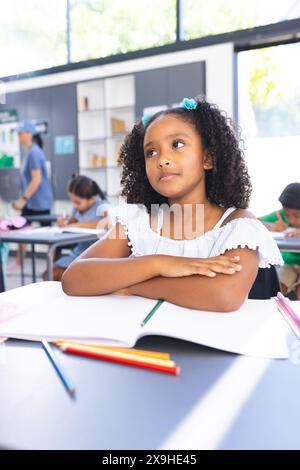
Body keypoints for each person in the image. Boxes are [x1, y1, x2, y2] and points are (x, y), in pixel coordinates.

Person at [61, 97, 283, 312]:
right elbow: (74, 279)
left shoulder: (238, 224)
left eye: (177, 144)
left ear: (208, 158)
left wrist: (133, 286)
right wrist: (160, 264)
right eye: (151, 152)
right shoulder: (139, 222)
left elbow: (224, 295)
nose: (162, 159)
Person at [42, 174, 110, 281]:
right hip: (76, 254)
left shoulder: (103, 206)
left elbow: (108, 223)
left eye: (78, 202)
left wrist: (76, 225)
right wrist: (65, 222)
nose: (74, 205)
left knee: (57, 276)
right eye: (72, 201)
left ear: (93, 199)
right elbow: (70, 221)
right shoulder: (78, 209)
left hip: (93, 257)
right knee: (47, 275)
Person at [12, 120, 54, 265]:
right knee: (22, 231)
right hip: (33, 202)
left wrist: (22, 200)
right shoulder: (30, 152)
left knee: (51, 237)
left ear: (30, 134)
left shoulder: (34, 153)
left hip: (39, 203)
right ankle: (18, 265)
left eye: (21, 132)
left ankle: (54, 267)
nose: (18, 135)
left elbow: (36, 180)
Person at [260, 182, 300, 299]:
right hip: (288, 263)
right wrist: (271, 226)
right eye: (287, 215)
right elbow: (251, 221)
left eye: (297, 216)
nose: (291, 220)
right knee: (276, 289)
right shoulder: (279, 216)